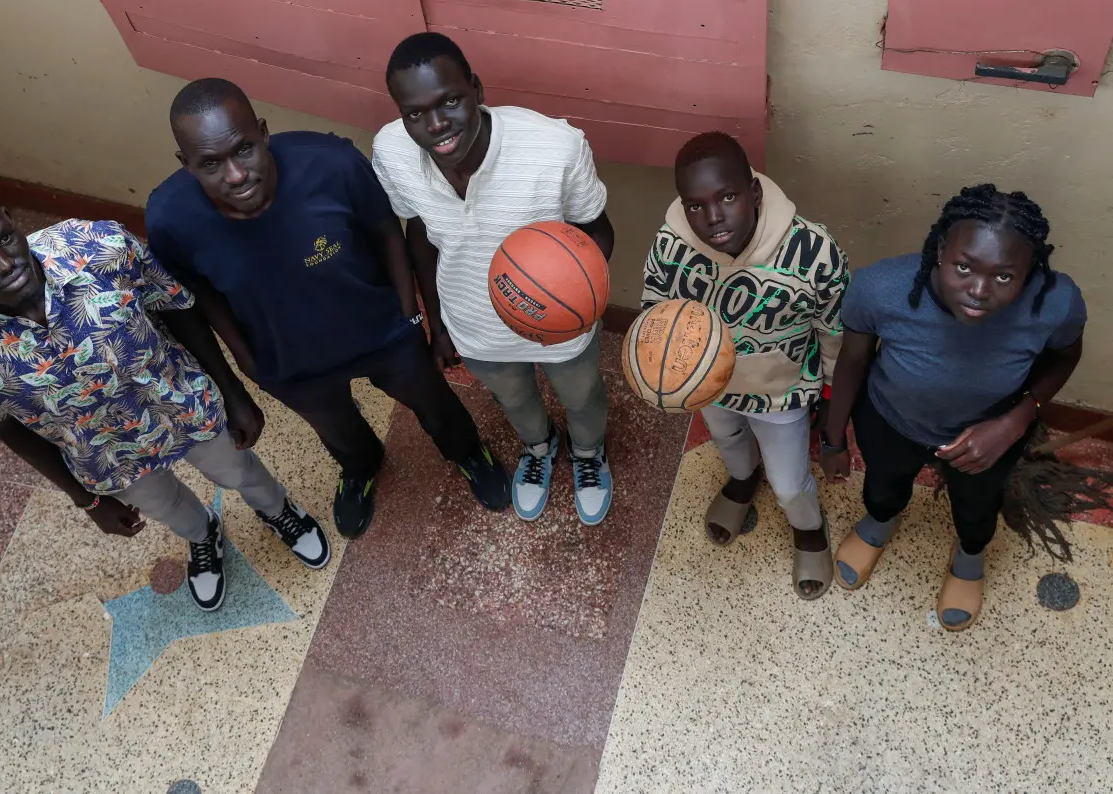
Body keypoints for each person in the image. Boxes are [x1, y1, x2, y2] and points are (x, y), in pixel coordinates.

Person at [0, 176, 329, 613]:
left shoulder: (98, 245)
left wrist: (233, 391)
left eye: (4, 239)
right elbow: (1, 426)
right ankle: (203, 535)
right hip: (107, 455)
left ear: (11, 220)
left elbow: (175, 305)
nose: (4, 263)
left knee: (239, 470)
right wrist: (86, 500)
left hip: (180, 402)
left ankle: (276, 509)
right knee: (167, 507)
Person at [145, 78, 509, 540]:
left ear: (263, 133)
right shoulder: (169, 218)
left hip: (382, 331)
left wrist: (410, 315)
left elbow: (385, 230)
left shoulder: (332, 164)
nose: (235, 175)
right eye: (211, 164)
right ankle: (361, 467)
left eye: (244, 150)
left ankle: (468, 453)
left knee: (435, 403)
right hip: (286, 357)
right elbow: (195, 297)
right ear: (186, 164)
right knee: (336, 430)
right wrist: (242, 366)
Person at [371, 32, 617, 526]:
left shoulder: (556, 148)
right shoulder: (391, 152)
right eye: (415, 113)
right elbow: (417, 231)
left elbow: (597, 231)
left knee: (582, 395)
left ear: (477, 90)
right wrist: (437, 325)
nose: (436, 124)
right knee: (513, 397)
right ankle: (539, 447)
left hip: (561, 325)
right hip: (475, 322)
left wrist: (571, 299)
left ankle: (589, 455)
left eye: (451, 101)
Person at [821, 184, 1085, 631]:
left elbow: (1066, 356)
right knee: (884, 481)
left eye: (1004, 277)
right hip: (890, 419)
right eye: (963, 267)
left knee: (978, 504)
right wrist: (833, 438)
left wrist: (1015, 421)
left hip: (987, 437)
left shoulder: (1055, 303)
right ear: (942, 249)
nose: (979, 290)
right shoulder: (881, 288)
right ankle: (881, 518)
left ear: (1031, 271)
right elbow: (853, 361)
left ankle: (970, 552)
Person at [641, 132, 849, 600]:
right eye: (695, 205)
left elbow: (836, 335)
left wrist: (833, 410)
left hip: (781, 392)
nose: (712, 218)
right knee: (728, 440)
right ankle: (740, 479)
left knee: (790, 482)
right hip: (711, 388)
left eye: (728, 197)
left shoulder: (813, 253)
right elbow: (657, 315)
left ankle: (808, 526)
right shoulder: (672, 247)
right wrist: (662, 371)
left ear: (754, 192)